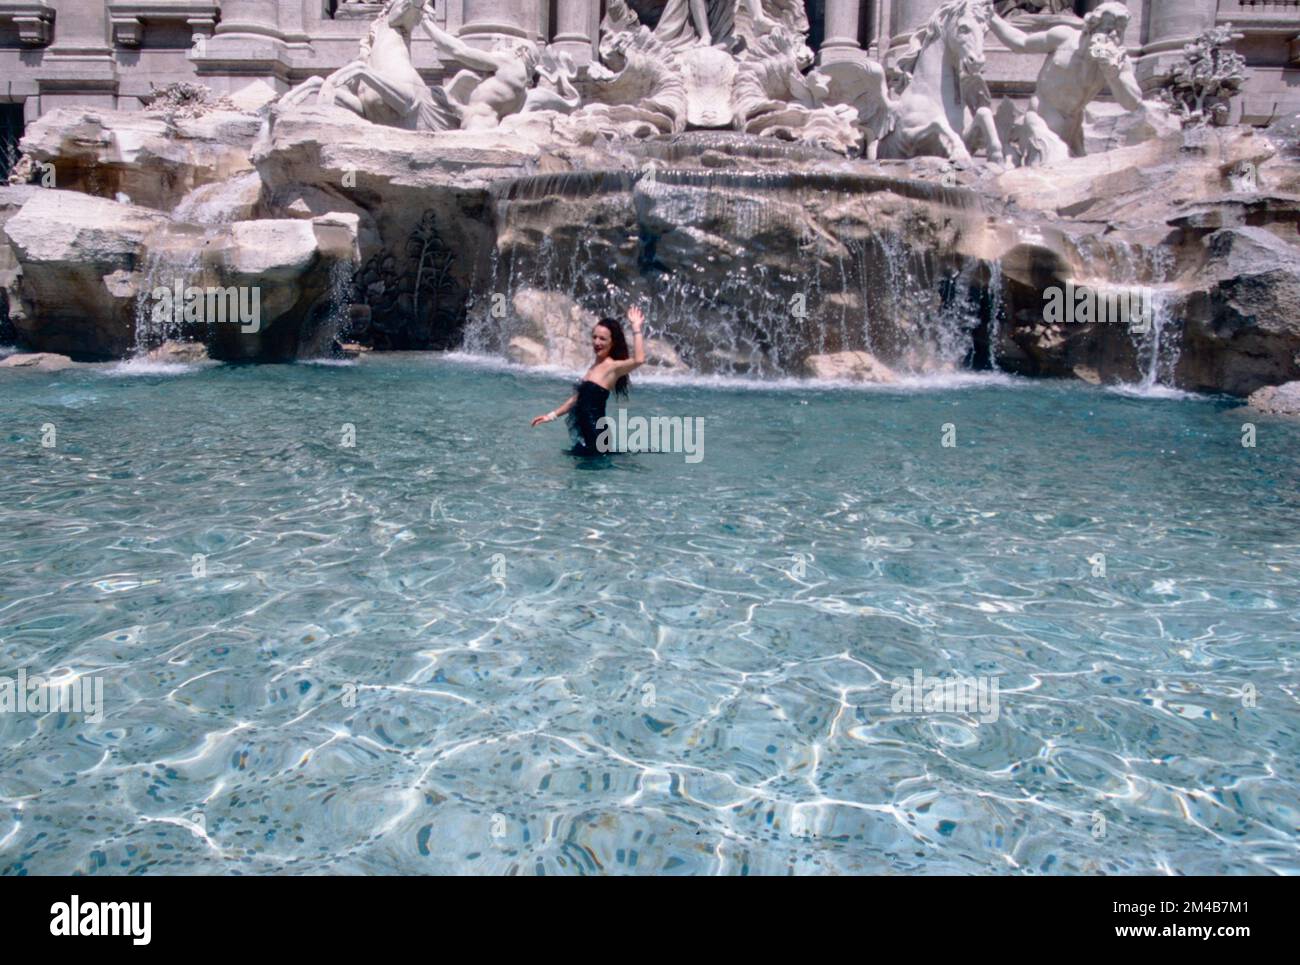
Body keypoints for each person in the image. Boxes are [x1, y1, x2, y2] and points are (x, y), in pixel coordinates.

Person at [531, 307, 646, 455]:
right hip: (589, 433)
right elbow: (578, 398)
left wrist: (636, 328)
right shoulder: (594, 366)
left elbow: (639, 359)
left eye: (603, 339)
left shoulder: (612, 367)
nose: (597, 342)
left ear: (613, 342)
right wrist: (550, 416)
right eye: (594, 337)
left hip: (597, 434)